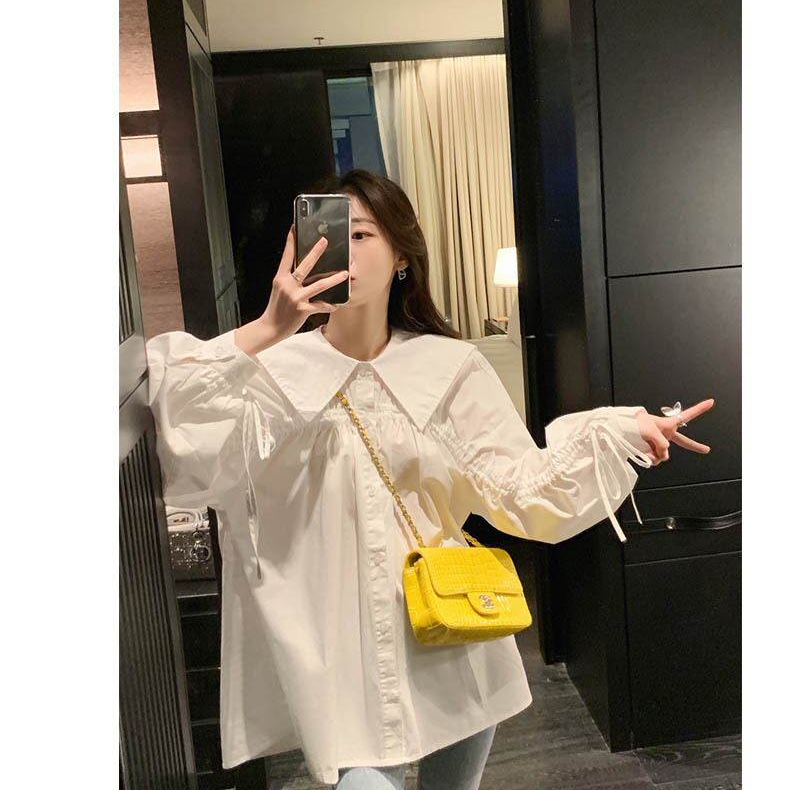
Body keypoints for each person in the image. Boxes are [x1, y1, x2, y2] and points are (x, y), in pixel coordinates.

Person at [145, 169, 714, 788]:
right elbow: (177, 427)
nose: (339, 249)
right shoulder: (272, 371)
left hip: (449, 641)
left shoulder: (448, 367)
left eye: (360, 233)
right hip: (337, 663)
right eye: (325, 233)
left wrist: (623, 431)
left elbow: (522, 489)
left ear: (401, 256)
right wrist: (267, 328)